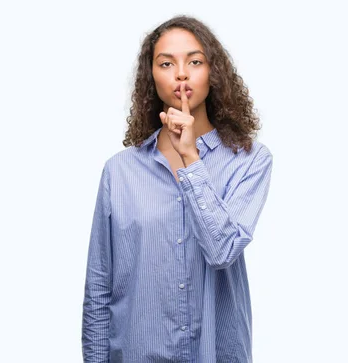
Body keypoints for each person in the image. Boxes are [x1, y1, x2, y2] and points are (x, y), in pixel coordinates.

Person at [82, 15, 273, 363]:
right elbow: (99, 287)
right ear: (151, 77)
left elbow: (222, 250)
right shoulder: (120, 171)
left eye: (195, 61)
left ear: (213, 74)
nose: (181, 73)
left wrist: (190, 157)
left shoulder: (250, 160)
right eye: (166, 63)